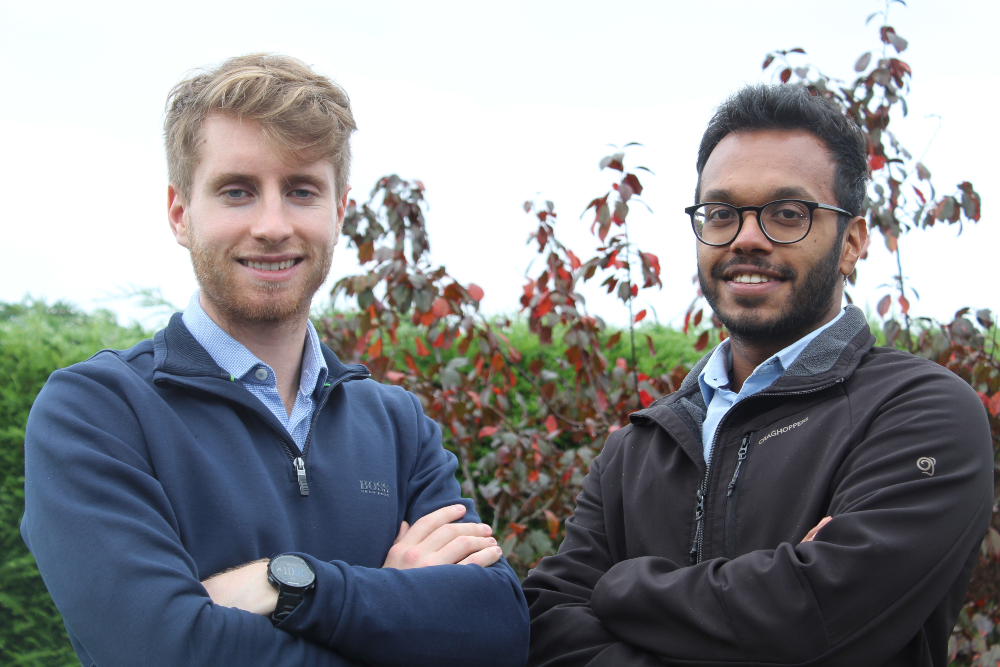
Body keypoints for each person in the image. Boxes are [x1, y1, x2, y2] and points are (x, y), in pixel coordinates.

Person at [21, 54, 528, 667]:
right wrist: (395, 601)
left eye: (301, 191)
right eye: (237, 191)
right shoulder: (96, 413)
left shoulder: (397, 426)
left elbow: (498, 632)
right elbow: (159, 650)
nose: (272, 224)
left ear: (339, 212)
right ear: (181, 214)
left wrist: (287, 583)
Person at [522, 84, 993, 666]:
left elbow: (805, 624)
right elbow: (546, 624)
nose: (746, 237)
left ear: (852, 243)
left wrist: (618, 588)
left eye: (787, 214)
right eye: (721, 213)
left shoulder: (921, 413)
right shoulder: (641, 445)